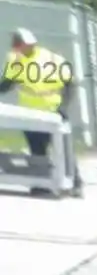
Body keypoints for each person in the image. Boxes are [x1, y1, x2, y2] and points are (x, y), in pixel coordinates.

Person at [0, 29, 79, 195]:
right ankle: (41, 183)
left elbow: (70, 85)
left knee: (63, 149)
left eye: (17, 44)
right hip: (30, 113)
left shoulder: (52, 59)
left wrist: (63, 107)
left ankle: (76, 184)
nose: (14, 47)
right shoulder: (16, 60)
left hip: (53, 110)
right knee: (37, 149)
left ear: (28, 44)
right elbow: (7, 84)